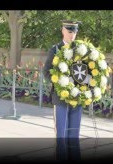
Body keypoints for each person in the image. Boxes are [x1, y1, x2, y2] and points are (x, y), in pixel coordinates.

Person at [43, 20, 83, 161]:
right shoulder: (55, 49)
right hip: (60, 98)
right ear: (63, 31)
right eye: (70, 31)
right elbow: (46, 72)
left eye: (75, 31)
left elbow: (87, 72)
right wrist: (60, 84)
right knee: (61, 135)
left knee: (74, 135)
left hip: (77, 98)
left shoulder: (82, 50)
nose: (72, 34)